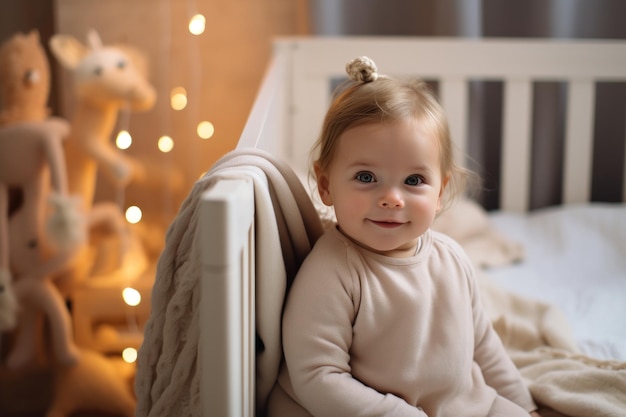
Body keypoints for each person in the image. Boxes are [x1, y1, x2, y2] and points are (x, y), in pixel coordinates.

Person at [267, 56, 541, 417]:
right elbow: (318, 376)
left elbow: (484, 346)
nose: (391, 198)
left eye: (414, 181)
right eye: (366, 177)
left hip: (460, 402)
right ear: (324, 185)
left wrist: (523, 405)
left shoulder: (452, 258)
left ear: (440, 192)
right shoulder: (332, 272)